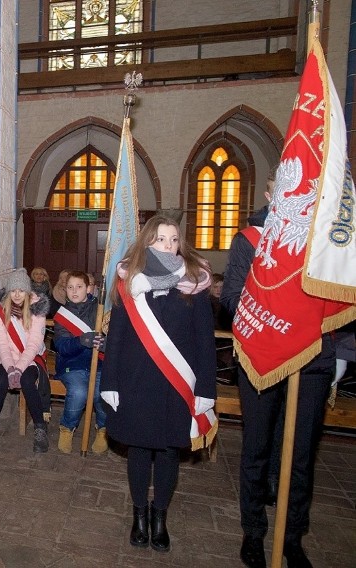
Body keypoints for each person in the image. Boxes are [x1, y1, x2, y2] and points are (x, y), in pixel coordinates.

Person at [220, 169, 335, 568]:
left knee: (300, 456)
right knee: (256, 449)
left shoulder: (325, 242)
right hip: (261, 358)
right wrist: (270, 324)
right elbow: (232, 297)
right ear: (271, 192)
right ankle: (253, 532)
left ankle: (292, 536)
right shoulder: (248, 241)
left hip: (312, 360)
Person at [100, 214, 215, 553]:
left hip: (175, 387)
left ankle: (159, 516)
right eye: (161, 238)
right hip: (136, 383)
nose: (168, 245)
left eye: (174, 239)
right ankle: (139, 514)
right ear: (147, 242)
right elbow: (116, 337)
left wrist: (206, 390)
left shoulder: (194, 285)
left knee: (167, 452)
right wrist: (111, 382)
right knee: (138, 450)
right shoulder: (129, 284)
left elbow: (205, 342)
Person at [0, 268, 50, 452]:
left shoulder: (37, 310)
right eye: (13, 290)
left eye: (21, 290)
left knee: (28, 381)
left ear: (28, 291)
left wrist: (19, 368)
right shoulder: (0, 311)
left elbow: (34, 344)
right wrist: (10, 367)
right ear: (9, 291)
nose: (17, 294)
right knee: (1, 379)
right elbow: (1, 343)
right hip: (7, 357)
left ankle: (40, 428)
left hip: (31, 358)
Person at [53, 270, 106, 454]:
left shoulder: (99, 310)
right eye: (70, 287)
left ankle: (103, 429)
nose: (74, 291)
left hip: (98, 363)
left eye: (79, 287)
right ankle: (67, 428)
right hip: (72, 364)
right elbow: (61, 346)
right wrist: (81, 341)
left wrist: (105, 343)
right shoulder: (62, 315)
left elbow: (112, 335)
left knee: (102, 392)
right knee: (78, 392)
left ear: (88, 288)